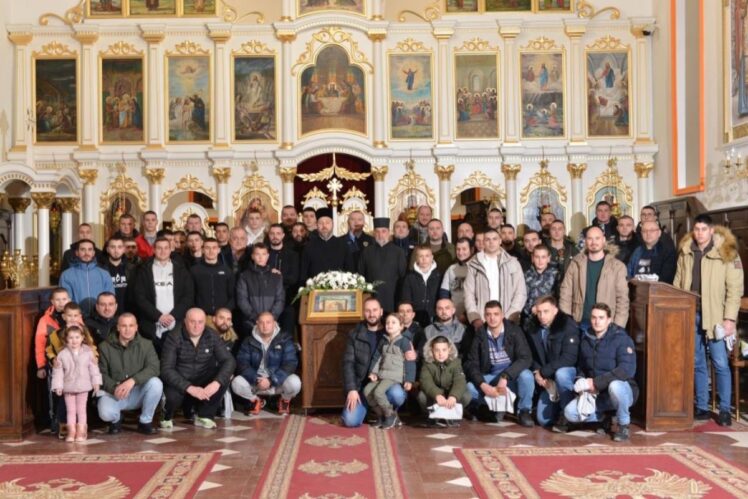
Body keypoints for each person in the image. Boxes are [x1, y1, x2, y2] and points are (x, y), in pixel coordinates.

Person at [673, 214, 743, 426]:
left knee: (720, 362)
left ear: (712, 230)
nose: (700, 233)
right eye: (697, 229)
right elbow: (677, 283)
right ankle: (702, 407)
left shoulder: (727, 252)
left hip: (716, 316)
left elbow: (735, 290)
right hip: (691, 313)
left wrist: (729, 319)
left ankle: (724, 409)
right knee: (697, 362)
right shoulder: (686, 252)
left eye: (704, 229)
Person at [562, 303, 637, 442]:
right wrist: (580, 380)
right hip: (598, 394)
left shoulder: (622, 338)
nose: (597, 321)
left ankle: (623, 425)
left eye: (601, 318)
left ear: (609, 320)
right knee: (570, 413)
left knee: (615, 385)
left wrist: (596, 383)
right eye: (594, 317)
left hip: (622, 390)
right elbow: (582, 367)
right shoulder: (586, 339)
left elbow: (626, 370)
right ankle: (603, 417)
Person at [342, 298, 413, 427]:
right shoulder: (355, 334)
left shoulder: (390, 329)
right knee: (350, 421)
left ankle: (389, 414)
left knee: (396, 394)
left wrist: (414, 354)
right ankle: (378, 413)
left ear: (381, 311)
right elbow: (348, 363)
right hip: (362, 385)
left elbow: (406, 339)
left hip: (387, 380)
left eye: (375, 310)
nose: (371, 314)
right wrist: (352, 389)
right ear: (363, 313)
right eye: (368, 311)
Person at [160, 308, 236, 429]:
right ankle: (166, 416)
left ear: (205, 322)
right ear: (185, 321)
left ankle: (204, 416)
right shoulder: (173, 336)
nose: (196, 326)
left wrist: (216, 383)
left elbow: (229, 360)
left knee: (225, 375)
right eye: (192, 322)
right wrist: (189, 388)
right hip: (179, 381)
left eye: (200, 322)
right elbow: (166, 369)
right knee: (172, 398)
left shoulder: (211, 334)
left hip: (201, 379)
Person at [464, 301, 534, 427]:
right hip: (491, 377)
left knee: (527, 376)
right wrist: (483, 384)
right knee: (469, 388)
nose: (492, 318)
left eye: (496, 314)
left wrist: (505, 375)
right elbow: (471, 363)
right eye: (488, 314)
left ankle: (524, 411)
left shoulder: (514, 330)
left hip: (512, 378)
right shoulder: (480, 333)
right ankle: (486, 407)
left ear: (502, 315)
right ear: (484, 316)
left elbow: (526, 358)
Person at [97, 313, 162, 435]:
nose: (128, 329)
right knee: (105, 413)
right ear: (118, 327)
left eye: (131, 326)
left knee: (156, 383)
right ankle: (116, 419)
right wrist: (114, 388)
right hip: (115, 392)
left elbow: (154, 368)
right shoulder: (104, 346)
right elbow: (101, 374)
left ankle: (145, 422)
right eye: (124, 326)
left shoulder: (146, 344)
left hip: (138, 391)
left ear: (136, 327)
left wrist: (133, 381)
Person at [524, 296, 578, 430]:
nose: (542, 316)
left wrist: (543, 372)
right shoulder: (532, 328)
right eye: (539, 312)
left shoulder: (568, 326)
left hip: (567, 375)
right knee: (543, 421)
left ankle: (567, 412)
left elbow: (569, 358)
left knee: (561, 373)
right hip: (547, 380)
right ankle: (556, 407)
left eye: (546, 311)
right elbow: (530, 355)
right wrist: (537, 372)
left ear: (555, 310)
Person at [560, 226, 628, 330]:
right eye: (590, 238)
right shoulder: (575, 263)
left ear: (603, 240)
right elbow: (566, 292)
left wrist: (618, 327)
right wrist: (567, 321)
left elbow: (622, 299)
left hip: (606, 324)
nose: (593, 242)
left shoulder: (617, 266)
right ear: (585, 241)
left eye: (597, 238)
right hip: (580, 321)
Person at [232, 312, 301, 415]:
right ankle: (255, 401)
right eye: (262, 323)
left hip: (277, 382)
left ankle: (284, 400)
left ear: (274, 323)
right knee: (236, 383)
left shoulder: (284, 340)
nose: (265, 326)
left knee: (295, 382)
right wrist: (256, 379)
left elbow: (290, 363)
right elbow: (242, 363)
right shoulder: (248, 341)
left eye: (268, 322)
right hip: (256, 383)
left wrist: (271, 380)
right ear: (257, 323)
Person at [131, 238, 195, 348]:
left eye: (166, 248)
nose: (163, 251)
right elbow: (139, 297)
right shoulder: (144, 270)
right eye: (159, 248)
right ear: (154, 250)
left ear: (170, 250)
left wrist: (173, 315)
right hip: (151, 326)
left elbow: (188, 296)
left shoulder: (181, 270)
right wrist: (158, 316)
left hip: (176, 325)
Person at [464, 229, 527, 328]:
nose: (491, 242)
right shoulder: (474, 264)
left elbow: (520, 292)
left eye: (494, 239)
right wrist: (475, 317)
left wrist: (509, 317)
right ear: (483, 242)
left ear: (500, 241)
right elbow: (468, 293)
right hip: (482, 321)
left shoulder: (513, 263)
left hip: (508, 320)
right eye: (487, 239)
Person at [363, 313, 416, 429]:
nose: (389, 325)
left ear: (401, 326)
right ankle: (382, 416)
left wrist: (409, 380)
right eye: (387, 322)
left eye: (393, 322)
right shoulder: (383, 340)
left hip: (394, 377)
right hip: (382, 375)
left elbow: (410, 362)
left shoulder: (405, 342)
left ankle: (390, 415)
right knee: (367, 391)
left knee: (378, 392)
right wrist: (373, 372)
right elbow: (377, 357)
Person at [51, 325, 102, 442]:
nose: (74, 340)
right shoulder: (62, 354)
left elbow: (94, 369)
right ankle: (71, 432)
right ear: (66, 339)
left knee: (81, 410)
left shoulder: (88, 352)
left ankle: (81, 431)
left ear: (82, 338)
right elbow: (58, 372)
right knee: (70, 411)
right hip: (68, 387)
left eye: (77, 337)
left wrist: (96, 383)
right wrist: (58, 386)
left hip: (83, 387)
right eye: (71, 338)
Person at [418, 336, 471, 427]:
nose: (440, 353)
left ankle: (452, 415)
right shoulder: (427, 364)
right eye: (437, 350)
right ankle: (433, 415)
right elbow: (426, 381)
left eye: (444, 350)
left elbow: (460, 381)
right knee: (422, 396)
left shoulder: (456, 363)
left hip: (450, 394)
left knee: (466, 396)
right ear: (432, 351)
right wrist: (437, 395)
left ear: (449, 350)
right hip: (436, 397)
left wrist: (453, 396)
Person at [358, 217, 407, 313]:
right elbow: (361, 276)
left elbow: (403, 277)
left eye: (383, 231)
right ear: (374, 233)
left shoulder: (398, 252)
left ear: (389, 232)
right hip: (371, 297)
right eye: (377, 231)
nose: (380, 235)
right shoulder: (366, 252)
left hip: (393, 297)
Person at [236, 243, 285, 334]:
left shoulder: (276, 276)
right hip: (250, 323)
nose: (260, 257)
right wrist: (256, 318)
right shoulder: (244, 276)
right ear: (252, 256)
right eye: (257, 254)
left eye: (263, 254)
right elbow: (242, 300)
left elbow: (280, 299)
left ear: (268, 256)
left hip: (272, 323)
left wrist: (271, 318)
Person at [59, 239, 115, 318]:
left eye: (90, 249)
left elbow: (110, 298)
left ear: (93, 253)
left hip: (100, 318)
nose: (86, 253)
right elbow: (65, 300)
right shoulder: (66, 275)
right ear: (77, 253)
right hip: (76, 318)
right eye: (83, 249)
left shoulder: (104, 274)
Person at [300, 208, 354, 281]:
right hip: (315, 287)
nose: (324, 226)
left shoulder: (343, 244)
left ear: (333, 224)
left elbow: (350, 271)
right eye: (321, 223)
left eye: (327, 223)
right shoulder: (308, 246)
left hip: (339, 287)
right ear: (316, 225)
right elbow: (303, 273)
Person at [191, 237, 235, 316]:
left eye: (214, 248)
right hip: (200, 316)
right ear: (203, 250)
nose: (211, 251)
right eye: (207, 248)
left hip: (223, 316)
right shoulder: (194, 270)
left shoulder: (227, 271)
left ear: (219, 250)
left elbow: (233, 295)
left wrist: (225, 310)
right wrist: (197, 311)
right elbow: (190, 295)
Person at [401, 246, 442, 327]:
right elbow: (406, 300)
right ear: (416, 258)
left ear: (432, 257)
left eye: (427, 256)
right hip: (415, 319)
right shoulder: (409, 277)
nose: (424, 259)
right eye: (421, 256)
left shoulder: (439, 275)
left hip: (435, 318)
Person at [35, 288, 70, 382]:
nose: (61, 302)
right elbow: (40, 344)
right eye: (58, 300)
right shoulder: (45, 320)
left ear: (69, 300)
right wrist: (41, 366)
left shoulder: (75, 316)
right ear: (52, 301)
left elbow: (85, 338)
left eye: (64, 299)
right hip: (54, 362)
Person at [522, 244, 559, 327]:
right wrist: (530, 308)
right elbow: (521, 296)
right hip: (530, 319)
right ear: (532, 258)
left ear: (548, 258)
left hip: (550, 320)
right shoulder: (525, 275)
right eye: (537, 257)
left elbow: (559, 297)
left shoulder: (556, 274)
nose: (540, 260)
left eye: (543, 257)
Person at [439, 237, 473, 322]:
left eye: (464, 249)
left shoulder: (476, 268)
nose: (460, 252)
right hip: (453, 316)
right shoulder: (451, 269)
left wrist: (466, 314)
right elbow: (444, 293)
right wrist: (447, 310)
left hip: (472, 316)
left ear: (471, 250)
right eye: (458, 249)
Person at [102, 236, 134, 312]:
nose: (116, 251)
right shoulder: (101, 269)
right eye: (113, 247)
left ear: (123, 250)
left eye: (119, 247)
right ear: (107, 249)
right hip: (107, 311)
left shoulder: (132, 269)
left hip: (128, 311)